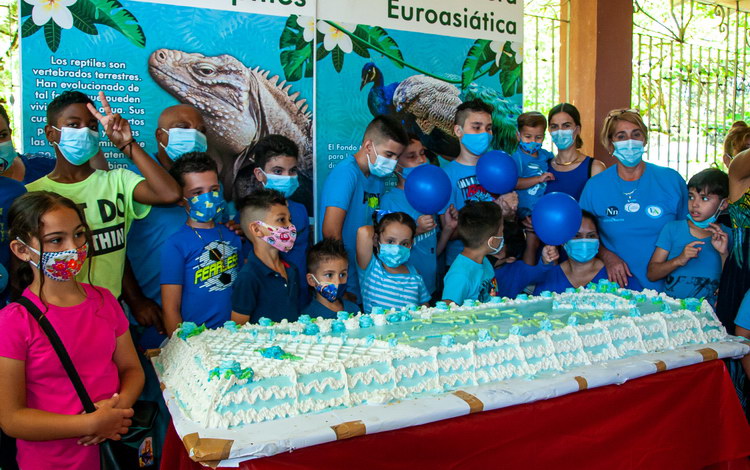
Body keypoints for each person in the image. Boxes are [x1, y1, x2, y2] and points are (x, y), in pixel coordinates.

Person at [0, 191, 143, 470]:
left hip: (110, 449)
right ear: (21, 250)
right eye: (56, 240)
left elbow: (132, 369)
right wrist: (91, 423)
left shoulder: (104, 300)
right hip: (50, 460)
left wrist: (115, 411)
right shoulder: (13, 321)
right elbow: (11, 418)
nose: (74, 247)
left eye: (79, 235)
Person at [25, 91, 181, 298]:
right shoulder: (33, 193)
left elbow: (169, 194)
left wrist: (127, 144)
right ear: (51, 133)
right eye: (74, 125)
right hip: (59, 310)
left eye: (91, 126)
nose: (84, 132)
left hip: (111, 307)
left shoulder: (117, 181)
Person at [124, 103, 209, 348]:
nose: (194, 135)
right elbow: (115, 248)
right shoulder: (134, 181)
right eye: (183, 127)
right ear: (160, 136)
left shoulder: (209, 182)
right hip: (155, 315)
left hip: (203, 313)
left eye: (201, 130)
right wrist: (137, 300)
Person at [580, 108, 687, 291]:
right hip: (616, 290)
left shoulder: (670, 180)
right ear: (611, 143)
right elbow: (581, 235)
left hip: (670, 289)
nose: (630, 142)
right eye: (621, 136)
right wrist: (607, 256)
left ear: (644, 139)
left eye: (635, 134)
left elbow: (688, 230)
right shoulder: (596, 187)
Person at [320, 115, 408, 302]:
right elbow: (330, 231)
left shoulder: (377, 178)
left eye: (397, 157)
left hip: (365, 273)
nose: (393, 163)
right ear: (368, 146)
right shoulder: (346, 173)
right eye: (389, 155)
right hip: (346, 276)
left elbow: (371, 215)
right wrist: (343, 281)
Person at [160, 152, 242, 336]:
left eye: (213, 190)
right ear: (181, 199)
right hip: (197, 339)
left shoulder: (233, 235)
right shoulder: (175, 244)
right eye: (197, 193)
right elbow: (170, 308)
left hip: (235, 335)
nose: (208, 198)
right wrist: (182, 346)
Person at [380, 135, 456, 296]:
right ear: (396, 165)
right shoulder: (389, 201)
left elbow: (433, 251)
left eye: (422, 153)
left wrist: (448, 228)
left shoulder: (430, 197)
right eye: (412, 156)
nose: (421, 160)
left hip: (429, 287)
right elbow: (387, 253)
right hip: (402, 289)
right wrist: (416, 229)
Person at [647, 168, 730, 305]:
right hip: (673, 315)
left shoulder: (728, 236)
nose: (695, 204)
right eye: (691, 197)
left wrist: (723, 254)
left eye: (704, 198)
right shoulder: (672, 229)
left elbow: (733, 283)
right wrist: (679, 259)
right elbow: (652, 274)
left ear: (724, 204)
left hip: (712, 317)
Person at [251, 134, 311, 307]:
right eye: (278, 171)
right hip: (267, 301)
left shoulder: (300, 210)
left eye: (292, 171)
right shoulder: (249, 214)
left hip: (300, 296)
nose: (287, 177)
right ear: (259, 174)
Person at [232, 189, 299, 324]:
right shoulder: (248, 277)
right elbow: (237, 330)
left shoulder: (291, 269)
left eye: (289, 220)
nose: (290, 226)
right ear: (257, 229)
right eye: (281, 220)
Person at [533, 212, 642, 295]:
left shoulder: (617, 274)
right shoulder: (550, 277)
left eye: (591, 236)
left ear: (598, 239)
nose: (584, 241)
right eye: (576, 236)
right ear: (563, 241)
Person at [443, 99, 496, 266]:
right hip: (460, 265)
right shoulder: (446, 176)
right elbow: (449, 233)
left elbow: (508, 220)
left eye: (488, 128)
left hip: (496, 262)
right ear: (458, 130)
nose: (484, 134)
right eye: (476, 127)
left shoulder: (499, 169)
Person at [0, 104, 108, 185]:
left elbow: (99, 186)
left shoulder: (44, 166)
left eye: (2, 135)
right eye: (74, 125)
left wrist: (88, 141)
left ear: (10, 133)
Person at [357, 211, 430, 313]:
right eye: (390, 241)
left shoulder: (415, 274)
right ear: (376, 239)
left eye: (404, 243)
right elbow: (364, 231)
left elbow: (424, 309)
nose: (397, 248)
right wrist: (385, 225)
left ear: (411, 244)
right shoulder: (371, 267)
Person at [442, 201, 503, 305]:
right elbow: (446, 313)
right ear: (492, 241)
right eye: (502, 231)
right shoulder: (460, 275)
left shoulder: (484, 260)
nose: (503, 235)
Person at [544, 103, 606, 200]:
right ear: (549, 131)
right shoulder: (543, 167)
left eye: (566, 125)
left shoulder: (594, 168)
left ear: (577, 129)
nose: (560, 131)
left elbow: (601, 210)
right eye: (554, 126)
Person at [511, 111, 555, 219]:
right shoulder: (516, 158)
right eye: (528, 137)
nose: (533, 141)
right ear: (518, 135)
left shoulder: (546, 155)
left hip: (543, 210)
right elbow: (514, 183)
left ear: (544, 137)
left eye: (538, 137)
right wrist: (538, 179)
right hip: (525, 213)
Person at [301, 238, 360, 318]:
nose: (337, 282)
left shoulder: (354, 310)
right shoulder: (308, 318)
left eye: (342, 274)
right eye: (329, 275)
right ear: (311, 280)